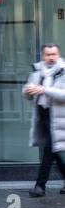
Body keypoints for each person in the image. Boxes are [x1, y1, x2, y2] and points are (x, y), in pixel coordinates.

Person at [23, 43, 65, 197]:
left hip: (60, 120)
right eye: (48, 55)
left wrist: (44, 89)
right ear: (43, 56)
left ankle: (39, 186)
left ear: (58, 54)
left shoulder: (63, 70)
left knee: (50, 150)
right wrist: (29, 91)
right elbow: (27, 92)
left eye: (54, 54)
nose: (52, 58)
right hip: (44, 118)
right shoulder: (37, 71)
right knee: (55, 151)